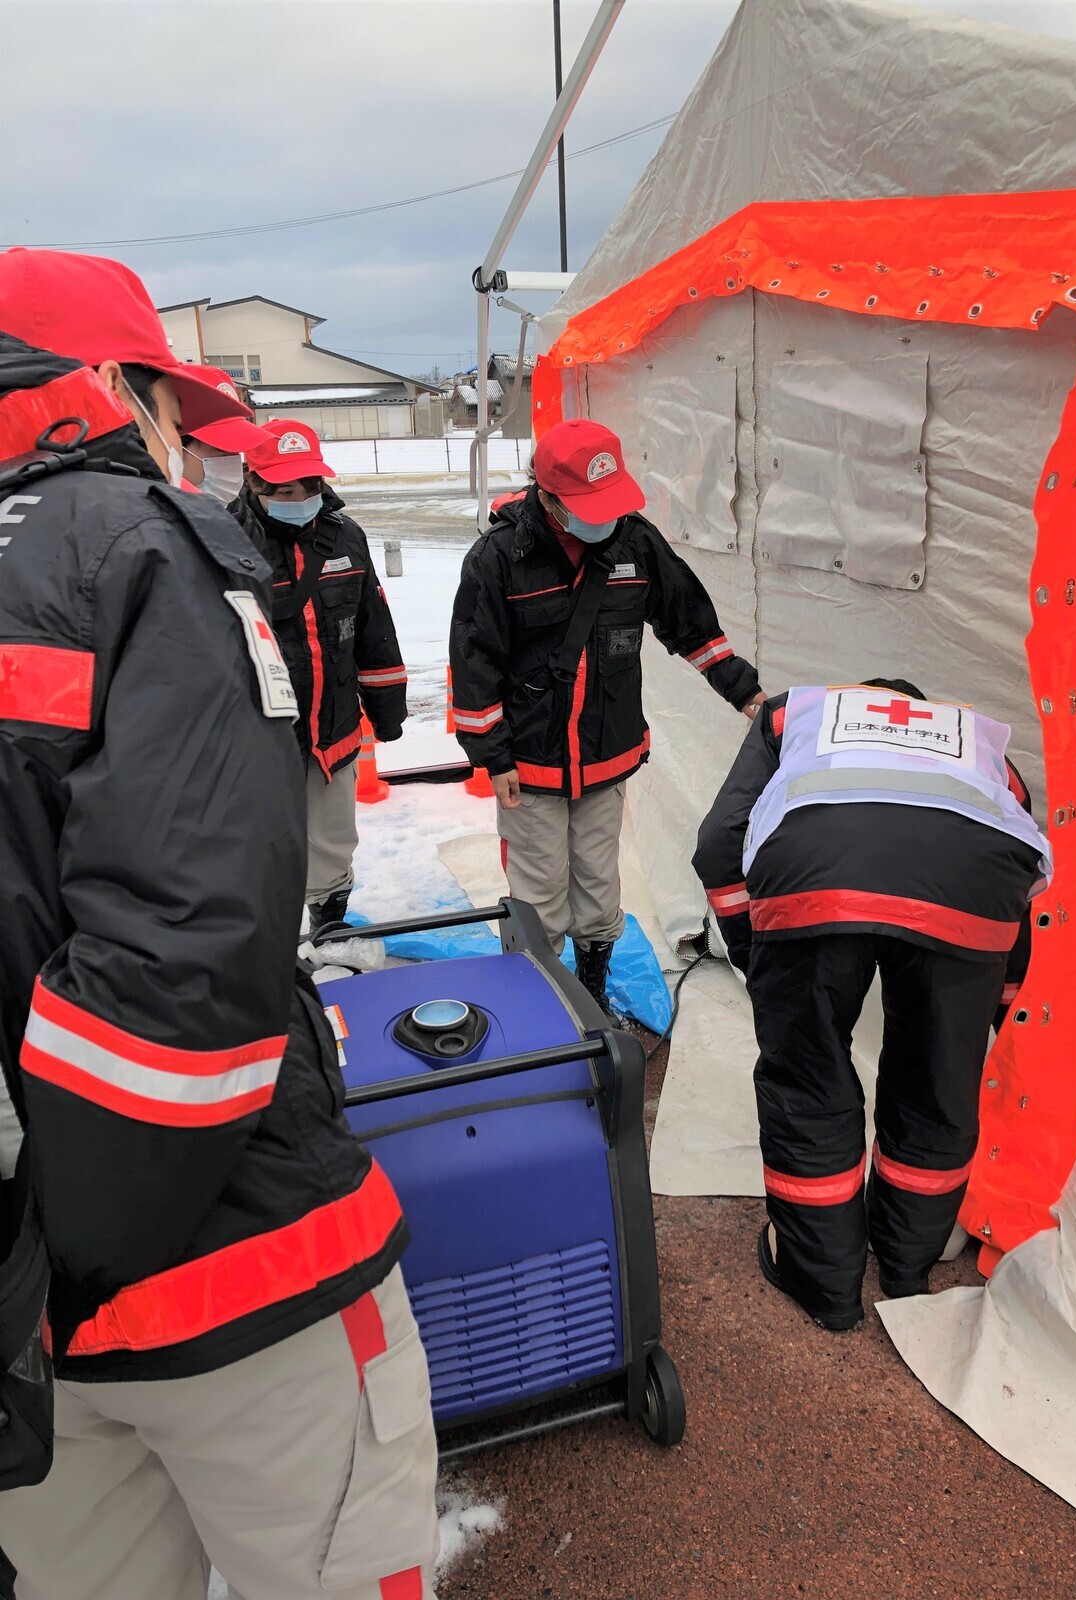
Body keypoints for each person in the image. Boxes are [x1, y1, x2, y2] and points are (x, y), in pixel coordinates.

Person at [0, 248, 438, 1600]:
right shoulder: (144, 547)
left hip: (26, 1320)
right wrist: (83, 1236)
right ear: (114, 390)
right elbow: (188, 964)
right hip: (224, 1264)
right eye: (177, 417)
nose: (190, 448)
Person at [693, 678, 1050, 1331]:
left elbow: (719, 838)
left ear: (853, 697)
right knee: (938, 1082)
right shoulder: (977, 738)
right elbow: (1020, 864)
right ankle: (907, 1267)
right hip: (974, 883)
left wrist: (757, 952)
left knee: (808, 1082)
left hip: (814, 870)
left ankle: (825, 1290)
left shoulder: (790, 714)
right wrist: (998, 1000)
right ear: (924, 707)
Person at [450, 416, 765, 1012]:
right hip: (530, 762)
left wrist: (744, 693)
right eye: (586, 506)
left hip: (606, 753)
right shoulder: (498, 558)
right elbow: (473, 661)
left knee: (598, 886)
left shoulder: (635, 542)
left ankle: (591, 988)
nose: (601, 518)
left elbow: (692, 625)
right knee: (539, 893)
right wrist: (491, 756)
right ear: (547, 496)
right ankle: (535, 1003)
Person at [230, 420, 409, 931]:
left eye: (308, 486)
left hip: (333, 725)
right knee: (262, 842)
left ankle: (330, 926)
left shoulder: (345, 537)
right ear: (254, 482)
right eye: (284, 489)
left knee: (332, 839)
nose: (299, 498)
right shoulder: (222, 538)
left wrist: (388, 707)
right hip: (258, 735)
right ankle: (267, 943)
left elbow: (375, 625)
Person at [176, 362, 271, 501]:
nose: (233, 463)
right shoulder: (146, 517)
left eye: (236, 452)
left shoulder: (236, 515)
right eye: (221, 450)